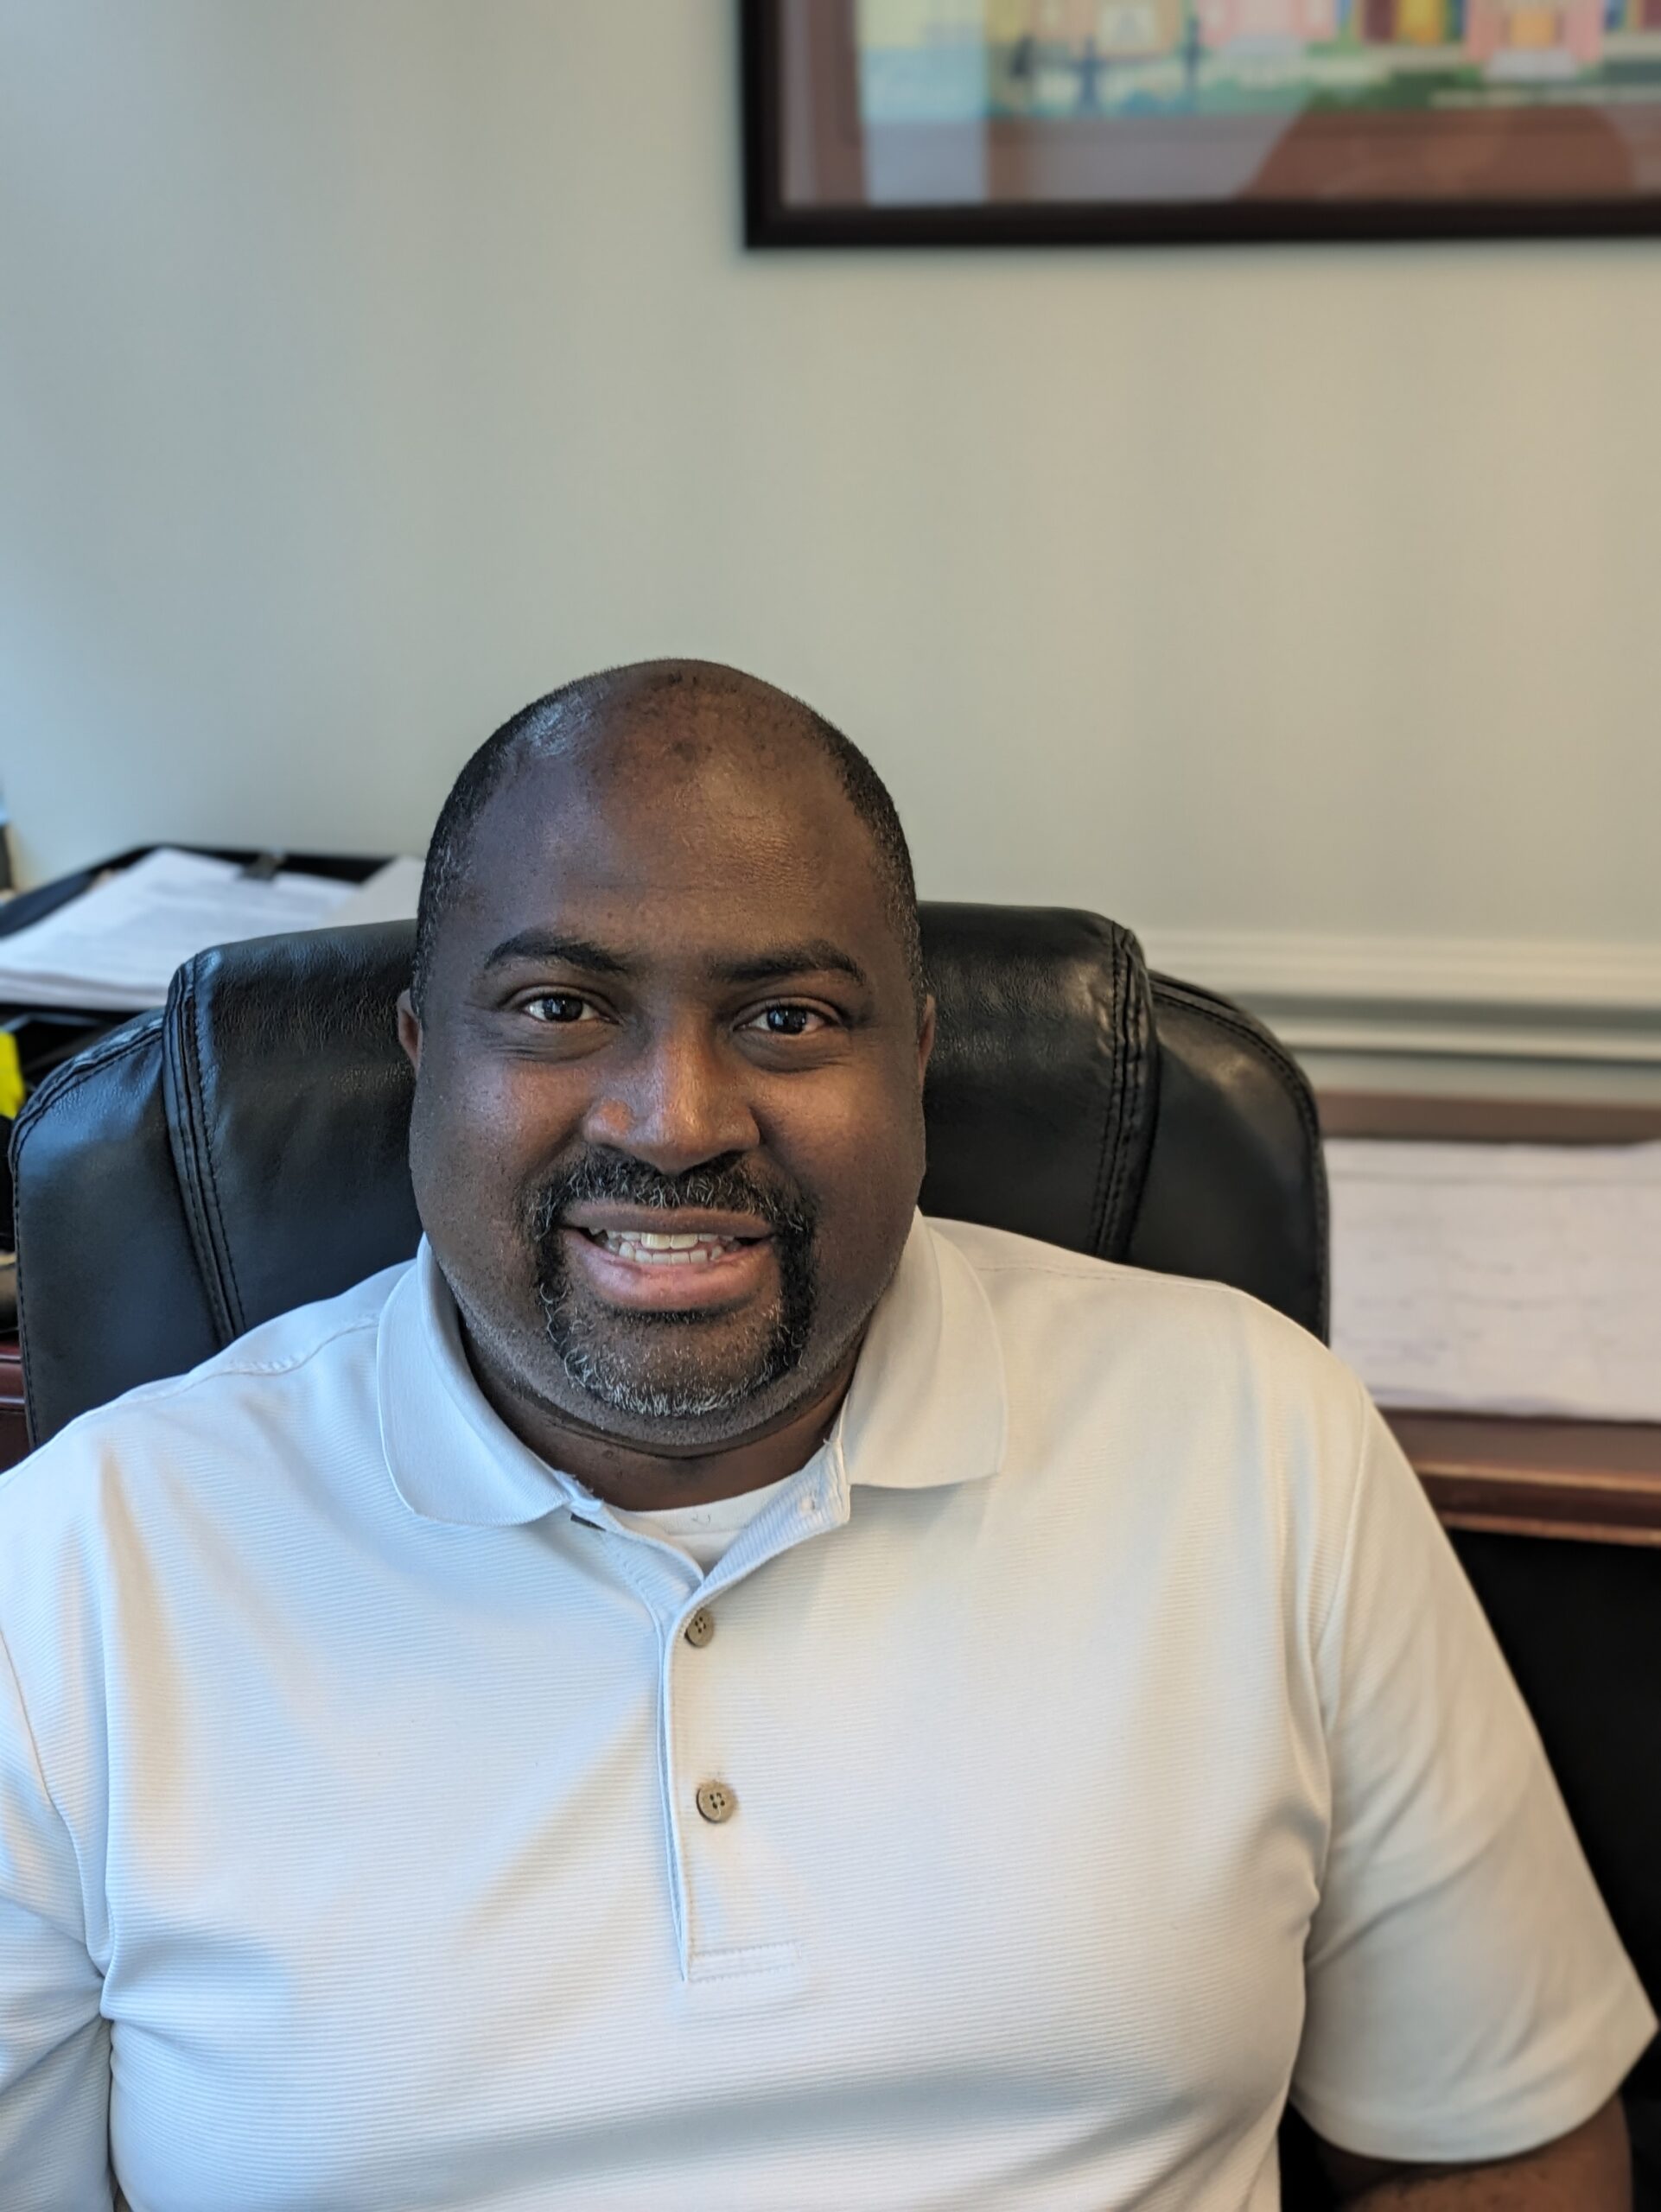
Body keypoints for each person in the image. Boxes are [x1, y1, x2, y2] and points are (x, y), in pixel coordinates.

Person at [0, 659, 1650, 2210]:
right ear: (426, 1057)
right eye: (563, 1007)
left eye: (786, 1018)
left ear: (916, 1061)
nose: (679, 1119)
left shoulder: (1257, 1436)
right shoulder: (85, 1560)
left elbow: (1493, 2147)